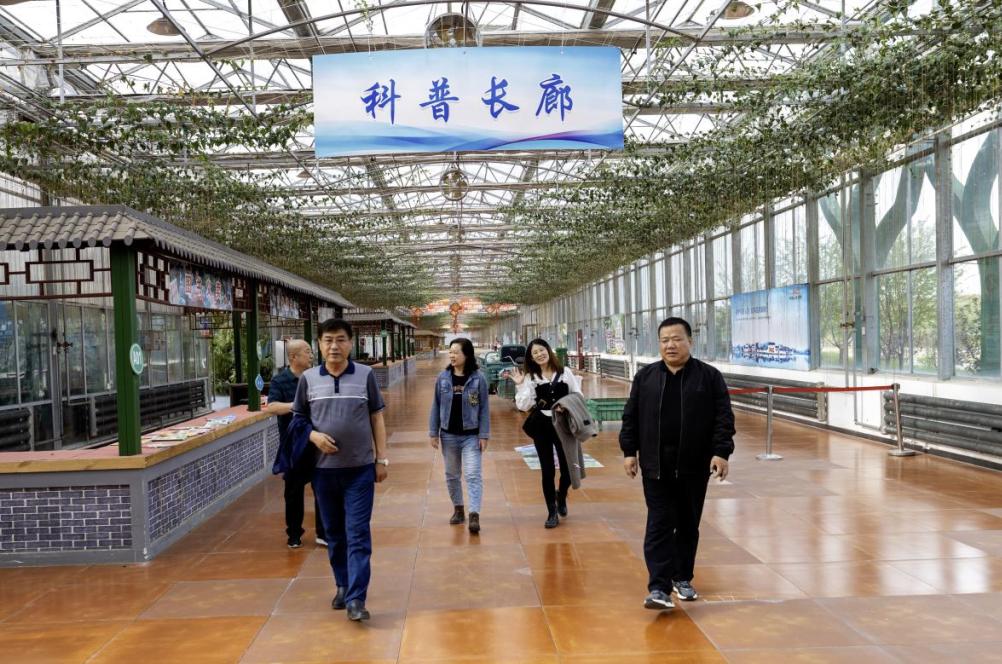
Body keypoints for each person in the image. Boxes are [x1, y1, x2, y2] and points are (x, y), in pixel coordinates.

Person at [620, 317, 735, 610]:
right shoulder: (645, 377)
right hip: (655, 466)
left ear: (690, 341)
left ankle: (682, 577)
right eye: (664, 340)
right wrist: (629, 451)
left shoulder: (709, 377)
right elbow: (630, 416)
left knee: (687, 524)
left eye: (676, 339)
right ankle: (658, 588)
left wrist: (721, 452)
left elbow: (724, 418)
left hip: (694, 466)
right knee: (659, 523)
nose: (670, 345)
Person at [288, 319, 388, 622]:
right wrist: (314, 436)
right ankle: (342, 585)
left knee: (358, 532)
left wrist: (381, 459)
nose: (334, 346)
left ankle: (357, 598)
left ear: (350, 343)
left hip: (360, 469)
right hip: (323, 471)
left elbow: (376, 418)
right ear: (319, 344)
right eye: (328, 340)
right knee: (334, 533)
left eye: (341, 339)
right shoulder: (308, 379)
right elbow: (298, 420)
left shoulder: (365, 375)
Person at [512, 338, 582, 528]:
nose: (539, 355)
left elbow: (578, 395)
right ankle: (552, 511)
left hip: (563, 425)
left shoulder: (565, 372)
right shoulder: (531, 377)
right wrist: (520, 385)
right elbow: (523, 405)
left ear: (548, 351)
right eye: (534, 353)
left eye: (541, 350)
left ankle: (562, 494)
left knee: (568, 468)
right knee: (547, 469)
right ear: (531, 358)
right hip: (542, 425)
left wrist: (566, 405)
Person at [428, 337, 490, 534]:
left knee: (473, 474)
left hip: (472, 436)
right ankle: (458, 509)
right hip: (448, 436)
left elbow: (484, 408)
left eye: (456, 352)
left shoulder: (478, 379)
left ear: (467, 355)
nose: (452, 355)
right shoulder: (443, 378)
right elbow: (436, 405)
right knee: (452, 475)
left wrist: (484, 434)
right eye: (450, 352)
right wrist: (433, 432)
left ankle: (474, 514)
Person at [268, 339, 325, 549]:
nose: (312, 355)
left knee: (322, 489)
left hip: (317, 442)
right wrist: (296, 405)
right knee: (293, 492)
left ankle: (323, 532)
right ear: (293, 357)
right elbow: (272, 407)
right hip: (293, 446)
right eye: (307, 351)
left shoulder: (316, 377)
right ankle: (294, 533)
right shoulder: (280, 381)